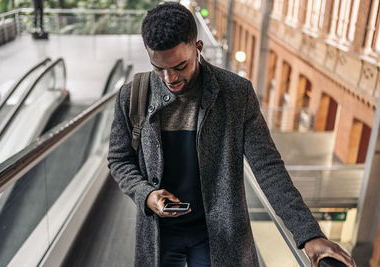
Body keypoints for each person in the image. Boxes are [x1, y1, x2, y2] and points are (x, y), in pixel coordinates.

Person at [107, 3, 356, 267]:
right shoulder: (132, 96)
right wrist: (146, 194)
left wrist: (308, 234)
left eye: (180, 66)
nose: (170, 78)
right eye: (159, 68)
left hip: (218, 238)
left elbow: (268, 168)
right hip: (159, 236)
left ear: (198, 48)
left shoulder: (236, 94)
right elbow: (119, 160)